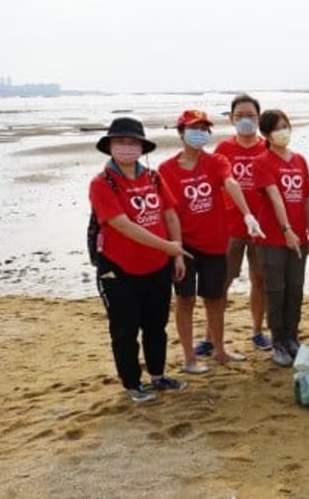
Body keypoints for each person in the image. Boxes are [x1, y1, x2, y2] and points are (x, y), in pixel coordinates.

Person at [89, 117, 189, 403]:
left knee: (156, 326)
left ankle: (158, 376)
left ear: (142, 147)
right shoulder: (102, 183)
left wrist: (176, 252)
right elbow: (122, 225)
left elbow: (169, 214)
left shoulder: (153, 177)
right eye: (120, 142)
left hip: (157, 266)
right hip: (118, 269)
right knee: (125, 330)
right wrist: (170, 247)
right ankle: (132, 383)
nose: (126, 147)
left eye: (132, 142)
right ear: (109, 146)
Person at [158, 109, 265, 374]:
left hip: (215, 243)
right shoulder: (166, 169)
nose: (199, 133)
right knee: (185, 300)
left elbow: (230, 183)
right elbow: (168, 213)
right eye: (193, 128)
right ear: (181, 132)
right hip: (184, 245)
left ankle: (219, 350)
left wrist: (247, 213)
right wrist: (174, 250)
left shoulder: (216, 161)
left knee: (215, 299)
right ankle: (189, 357)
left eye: (204, 128)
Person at [209, 93, 271, 354]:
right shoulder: (223, 149)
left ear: (259, 118)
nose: (246, 120)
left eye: (251, 115)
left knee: (260, 280)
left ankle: (257, 331)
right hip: (230, 227)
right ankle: (210, 336)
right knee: (222, 282)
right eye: (240, 116)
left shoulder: (267, 148)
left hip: (261, 228)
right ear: (232, 119)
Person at [253, 109, 309, 367]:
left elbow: (305, 198)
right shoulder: (263, 161)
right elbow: (275, 195)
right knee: (275, 290)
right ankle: (278, 340)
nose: (283, 131)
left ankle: (292, 336)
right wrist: (286, 229)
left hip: (299, 237)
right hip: (272, 239)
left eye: (285, 125)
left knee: (295, 288)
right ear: (266, 134)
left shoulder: (299, 160)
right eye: (277, 128)